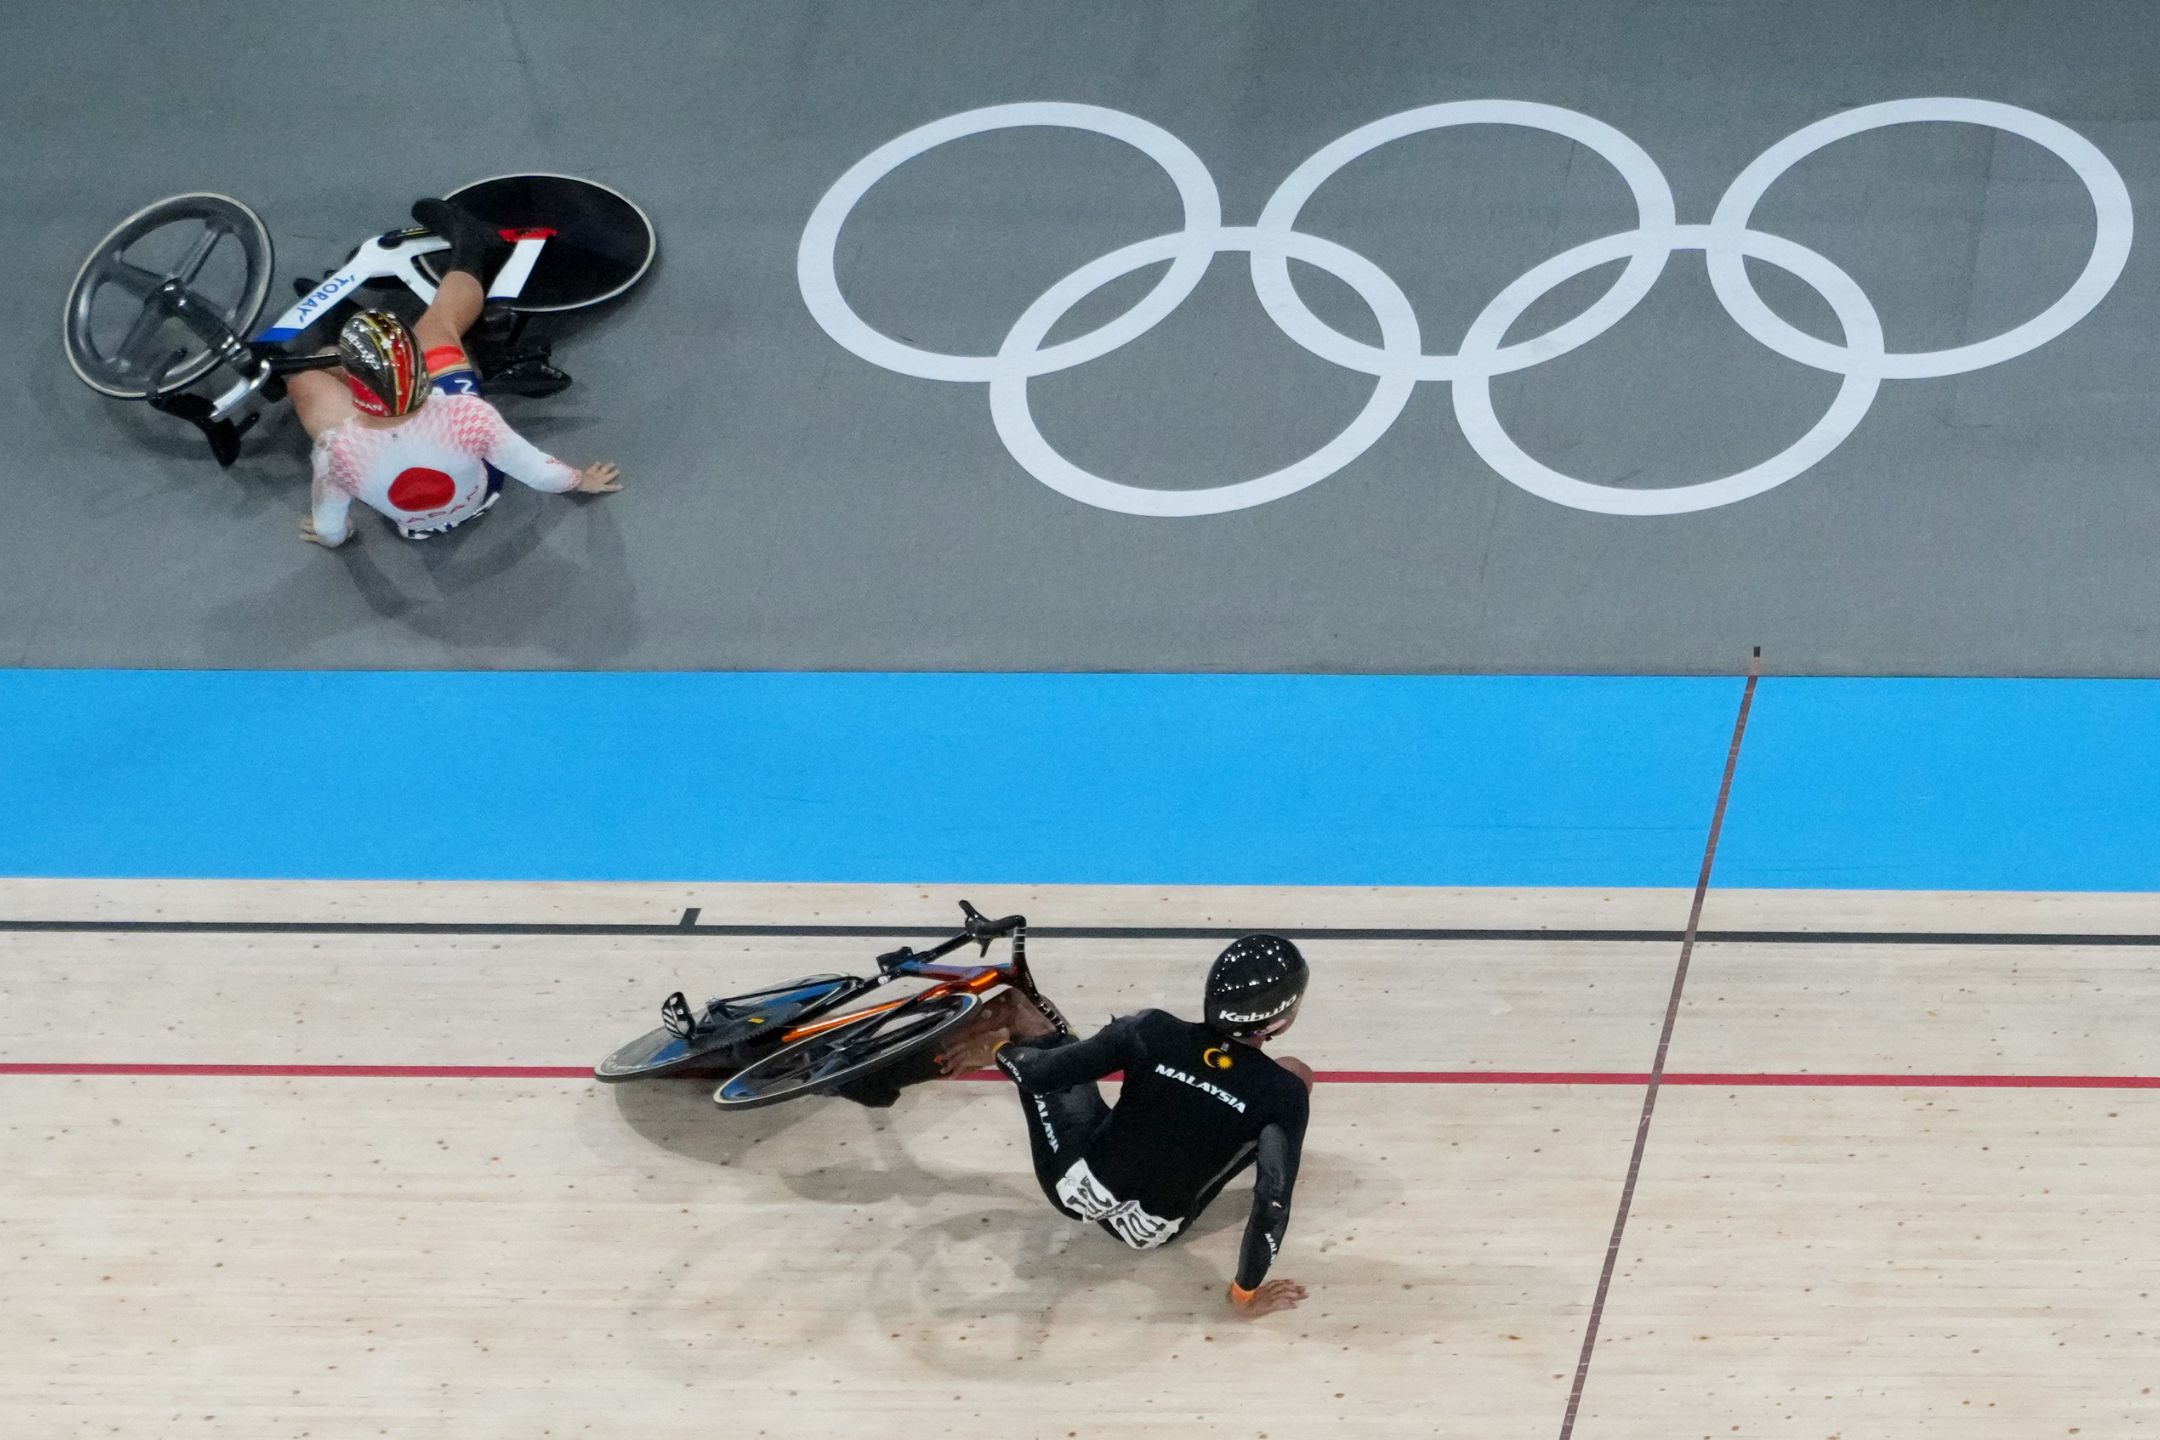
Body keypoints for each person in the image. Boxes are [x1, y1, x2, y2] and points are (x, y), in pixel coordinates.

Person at [935, 934, 1315, 1318]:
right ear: (1280, 1022)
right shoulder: (1285, 1095)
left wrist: (999, 1051)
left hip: (1073, 1185)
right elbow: (1272, 1203)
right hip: (1150, 1231)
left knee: (1019, 1008)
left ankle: (907, 1062)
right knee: (1292, 1079)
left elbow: (1040, 1076)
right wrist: (1244, 1297)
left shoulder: (1152, 1030)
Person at [292, 198, 622, 547]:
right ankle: (470, 250)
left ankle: (341, 336)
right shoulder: (466, 415)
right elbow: (540, 473)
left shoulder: (336, 453)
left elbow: (330, 526)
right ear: (421, 373)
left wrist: (335, 537)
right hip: (482, 490)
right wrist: (582, 481)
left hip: (410, 522)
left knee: (306, 374)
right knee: (437, 326)